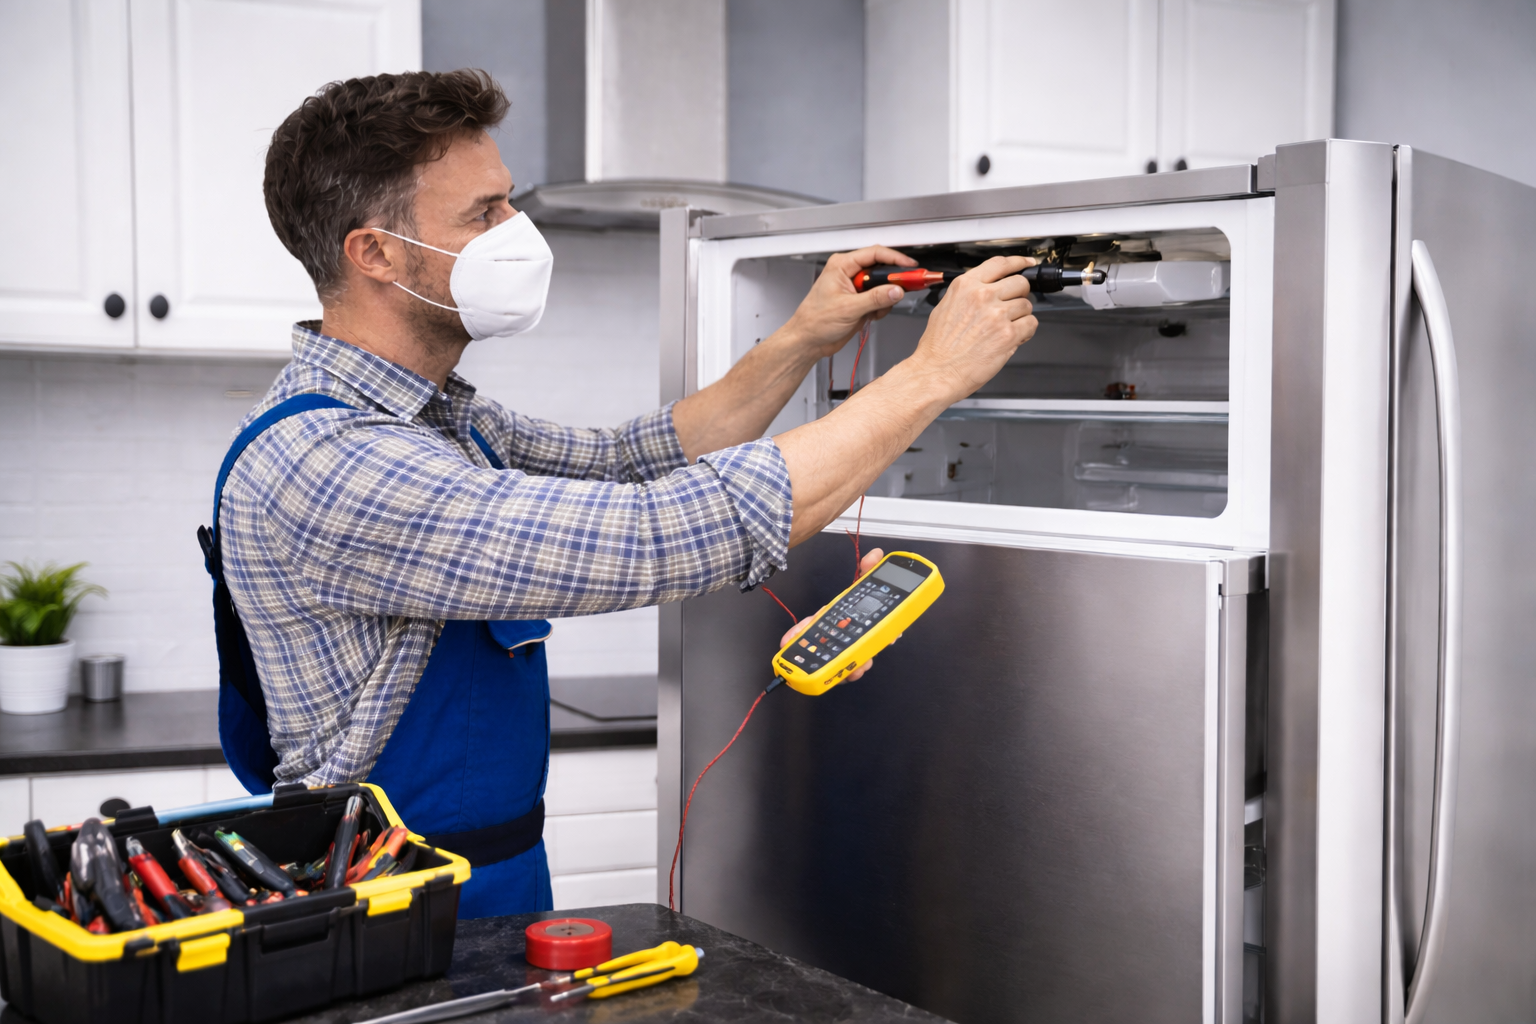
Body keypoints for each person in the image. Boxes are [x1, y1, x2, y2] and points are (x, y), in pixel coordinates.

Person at [208, 69, 1036, 917]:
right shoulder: (330, 459)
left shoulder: (442, 419)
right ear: (375, 253)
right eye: (484, 214)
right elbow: (654, 531)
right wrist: (932, 375)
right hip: (387, 912)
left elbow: (630, 462)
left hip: (494, 880)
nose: (516, 231)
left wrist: (802, 337)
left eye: (510, 201)